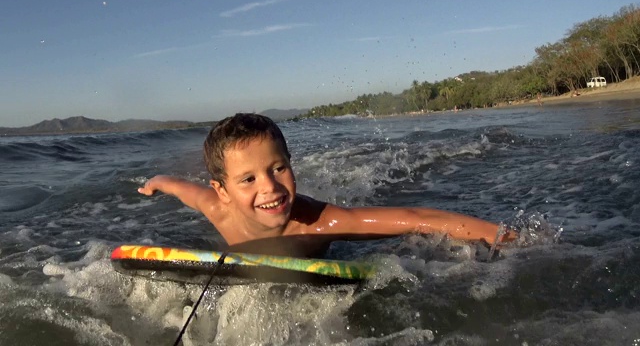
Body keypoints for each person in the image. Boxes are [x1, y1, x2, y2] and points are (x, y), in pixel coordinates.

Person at [138, 113, 515, 257]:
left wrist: (499, 235)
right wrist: (157, 182)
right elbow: (181, 188)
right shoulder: (216, 206)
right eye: (248, 179)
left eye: (278, 168)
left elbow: (413, 217)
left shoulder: (320, 222)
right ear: (222, 190)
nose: (270, 187)